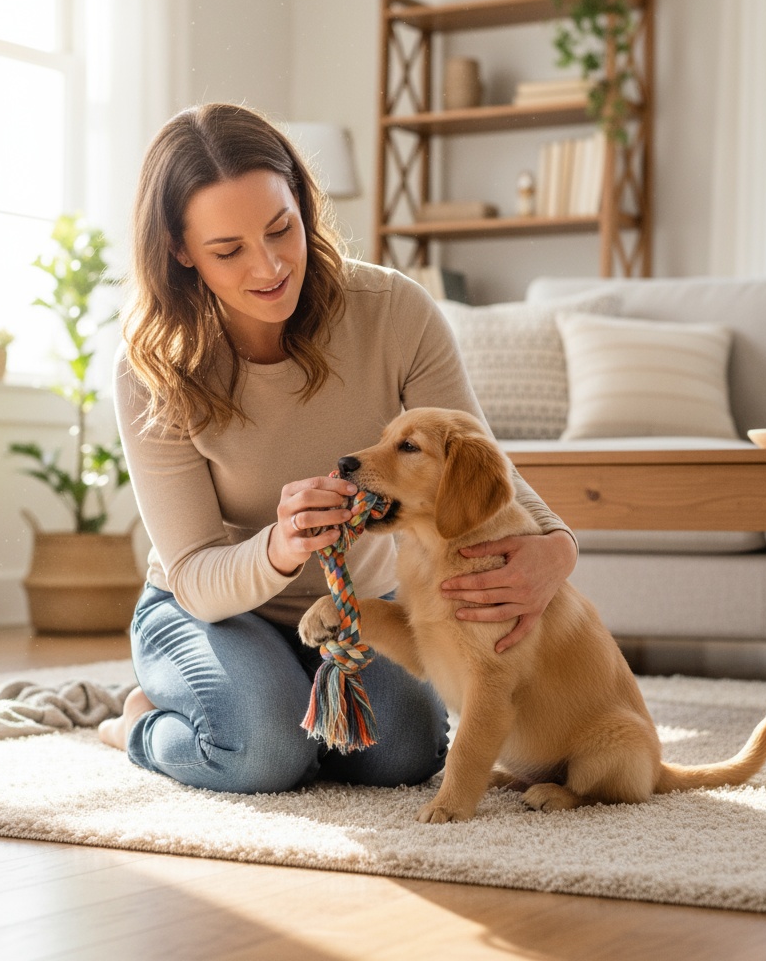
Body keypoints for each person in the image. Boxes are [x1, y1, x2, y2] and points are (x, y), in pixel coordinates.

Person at [99, 102, 579, 795]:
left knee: (406, 756)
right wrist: (280, 547)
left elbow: (477, 458)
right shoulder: (153, 366)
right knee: (264, 754)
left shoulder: (395, 312)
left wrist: (557, 545)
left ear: (301, 200)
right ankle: (139, 722)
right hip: (211, 608)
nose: (268, 267)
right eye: (228, 251)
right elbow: (197, 575)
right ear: (180, 250)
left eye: (280, 229)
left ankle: (281, 701)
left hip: (354, 603)